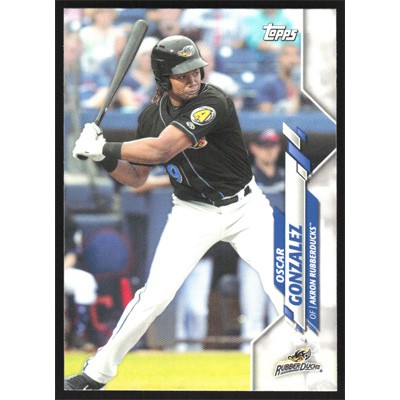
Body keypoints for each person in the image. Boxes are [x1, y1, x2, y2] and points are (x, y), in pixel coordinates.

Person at [65, 35, 282, 390]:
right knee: (154, 297)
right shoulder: (151, 117)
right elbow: (136, 177)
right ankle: (95, 374)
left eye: (196, 70)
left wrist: (105, 145)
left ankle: (319, 367)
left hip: (246, 208)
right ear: (164, 79)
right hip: (192, 213)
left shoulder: (213, 100)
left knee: (287, 285)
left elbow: (162, 151)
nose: (193, 78)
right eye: (183, 74)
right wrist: (101, 157)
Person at [238, 129, 285, 352]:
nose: (269, 150)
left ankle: (280, 359)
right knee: (252, 314)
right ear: (254, 148)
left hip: (283, 253)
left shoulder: (289, 178)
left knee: (281, 312)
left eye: (272, 145)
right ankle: (248, 359)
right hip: (252, 253)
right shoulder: (244, 177)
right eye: (264, 145)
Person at [64, 212, 98, 351]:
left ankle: (79, 334)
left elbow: (72, 253)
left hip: (63, 269)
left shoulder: (66, 220)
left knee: (85, 280)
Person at [254, 43, 301, 114]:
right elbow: (266, 116)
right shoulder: (268, 84)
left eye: (296, 55)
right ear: (279, 58)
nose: (293, 60)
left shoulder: (306, 85)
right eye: (288, 55)